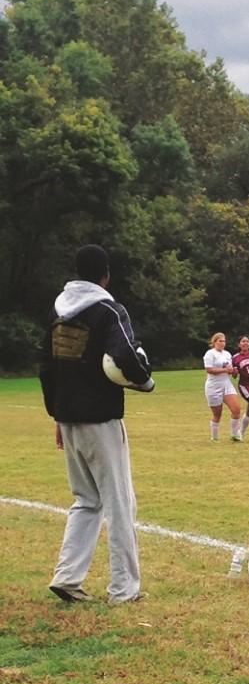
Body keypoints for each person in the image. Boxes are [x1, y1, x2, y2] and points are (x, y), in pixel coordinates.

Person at [39, 244, 154, 604]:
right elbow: (125, 354)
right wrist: (145, 381)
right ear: (105, 274)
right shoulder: (108, 309)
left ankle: (68, 576)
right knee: (119, 503)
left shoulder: (58, 312)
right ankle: (124, 589)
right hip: (102, 419)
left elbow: (46, 367)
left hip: (68, 419)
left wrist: (57, 414)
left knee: (85, 500)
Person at [204, 332, 242, 441]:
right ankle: (214, 437)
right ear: (214, 342)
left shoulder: (227, 354)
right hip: (213, 386)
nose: (222, 343)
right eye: (220, 341)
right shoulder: (210, 353)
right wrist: (225, 370)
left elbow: (232, 373)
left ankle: (235, 435)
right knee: (217, 414)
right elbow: (209, 369)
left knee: (236, 410)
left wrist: (234, 371)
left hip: (226, 384)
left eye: (224, 341)